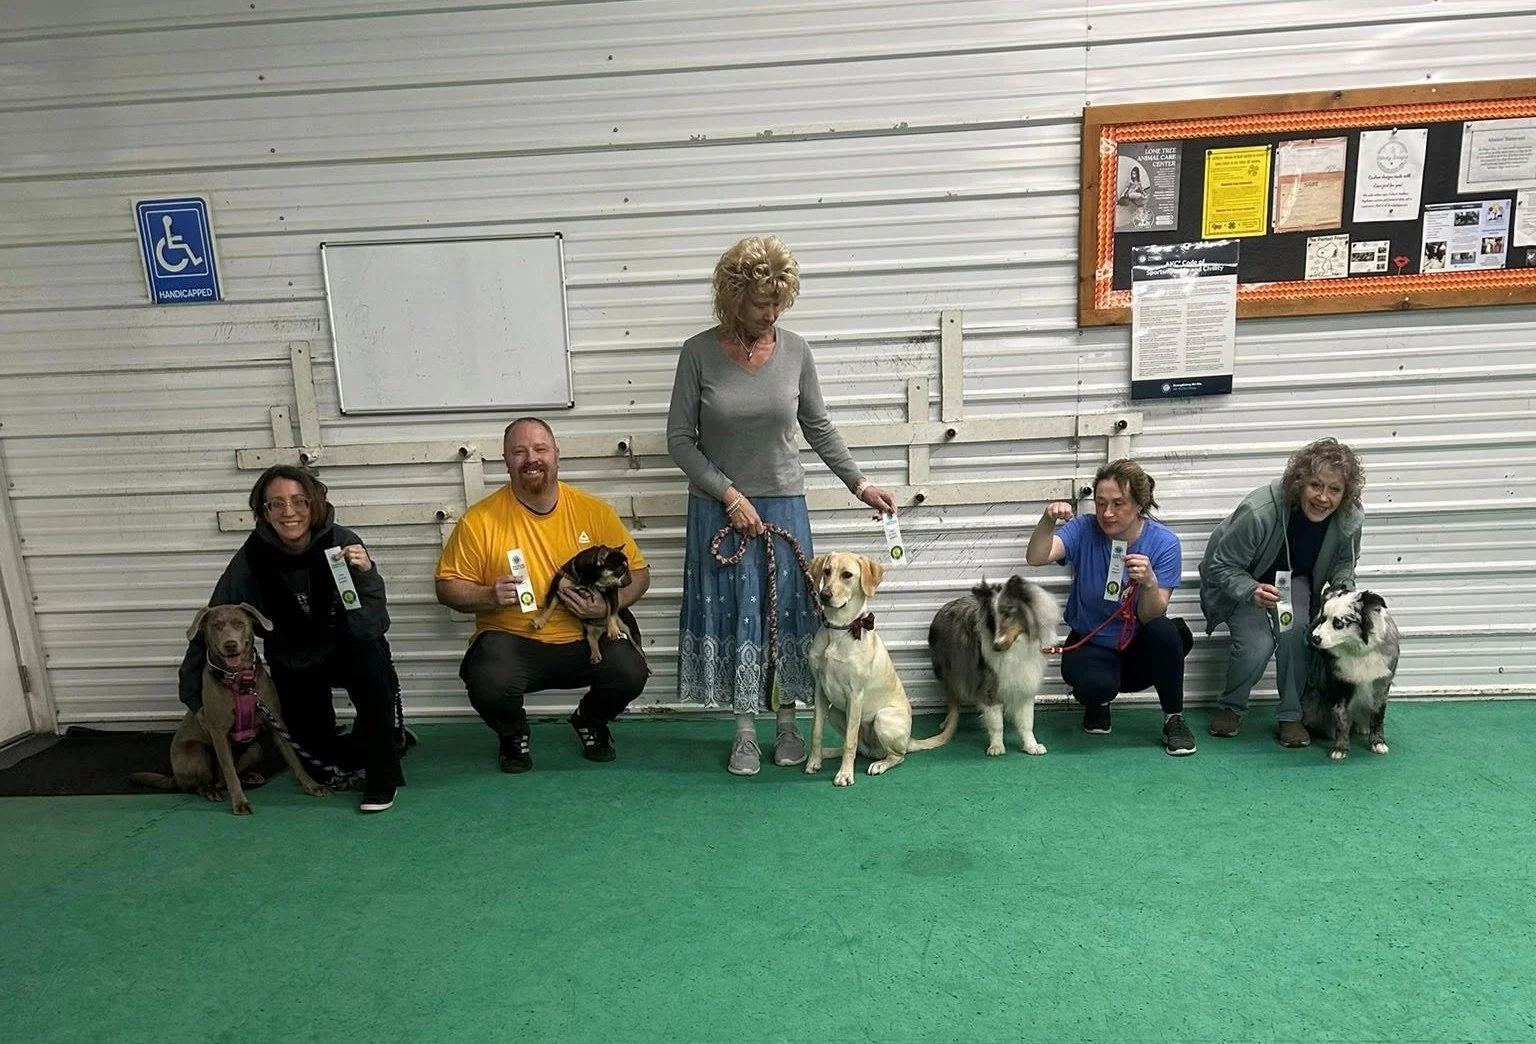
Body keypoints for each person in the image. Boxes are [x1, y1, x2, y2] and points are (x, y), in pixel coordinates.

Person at [666, 234, 898, 776]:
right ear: (732, 297)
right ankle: (744, 731)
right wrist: (728, 495)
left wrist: (860, 484)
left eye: (778, 304)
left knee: (792, 616)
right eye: (759, 304)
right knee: (736, 617)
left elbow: (817, 425)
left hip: (784, 506)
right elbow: (679, 439)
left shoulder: (795, 351)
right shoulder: (697, 353)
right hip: (720, 509)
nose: (770, 314)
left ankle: (789, 724)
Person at [177, 465, 406, 812]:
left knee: (372, 662)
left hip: (348, 647)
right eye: (276, 504)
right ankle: (374, 741)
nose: (289, 512)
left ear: (314, 504)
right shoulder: (250, 558)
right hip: (294, 660)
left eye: (299, 501)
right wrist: (194, 697)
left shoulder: (341, 542)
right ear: (264, 512)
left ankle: (382, 775)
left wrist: (368, 577)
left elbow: (373, 626)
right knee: (317, 765)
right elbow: (209, 625)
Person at [435, 417, 651, 772]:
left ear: (557, 455)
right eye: (518, 451)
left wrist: (606, 607)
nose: (531, 458)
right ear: (505, 461)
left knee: (631, 671)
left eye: (540, 449)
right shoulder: (479, 521)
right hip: (514, 640)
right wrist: (487, 594)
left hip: (585, 639)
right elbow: (446, 587)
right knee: (487, 680)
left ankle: (590, 719)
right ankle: (512, 734)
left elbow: (640, 574)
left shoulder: (594, 512)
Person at [1199, 437, 1364, 747]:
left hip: (1293, 580)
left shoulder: (1350, 518)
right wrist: (1250, 590)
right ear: (1298, 482)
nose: (1323, 498)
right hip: (1246, 579)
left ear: (1346, 493)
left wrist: (1342, 591)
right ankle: (1231, 707)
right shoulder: (1258, 510)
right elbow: (1221, 565)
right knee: (1257, 645)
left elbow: (1344, 563)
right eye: (1315, 485)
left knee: (1297, 634)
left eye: (1334, 489)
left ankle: (1291, 715)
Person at [1025, 459, 1197, 756]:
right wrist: (1047, 520)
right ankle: (1098, 702)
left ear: (1140, 503)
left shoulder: (1165, 543)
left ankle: (1174, 719)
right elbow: (1037, 557)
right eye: (1100, 502)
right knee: (1093, 685)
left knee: (1167, 633)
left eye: (1119, 504)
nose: (1107, 513)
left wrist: (1150, 583)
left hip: (1138, 643)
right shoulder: (1083, 529)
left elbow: (1151, 613)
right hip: (1092, 639)